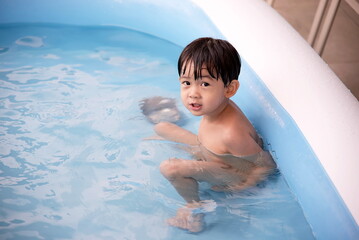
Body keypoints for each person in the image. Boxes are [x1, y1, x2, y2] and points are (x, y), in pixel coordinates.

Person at [153, 37, 276, 233]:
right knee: (162, 127)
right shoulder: (214, 107)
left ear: (230, 89)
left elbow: (266, 165)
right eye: (186, 82)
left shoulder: (231, 133)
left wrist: (244, 186)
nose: (193, 93)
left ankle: (194, 210)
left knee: (171, 168)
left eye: (205, 85)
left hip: (230, 171)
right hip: (209, 150)